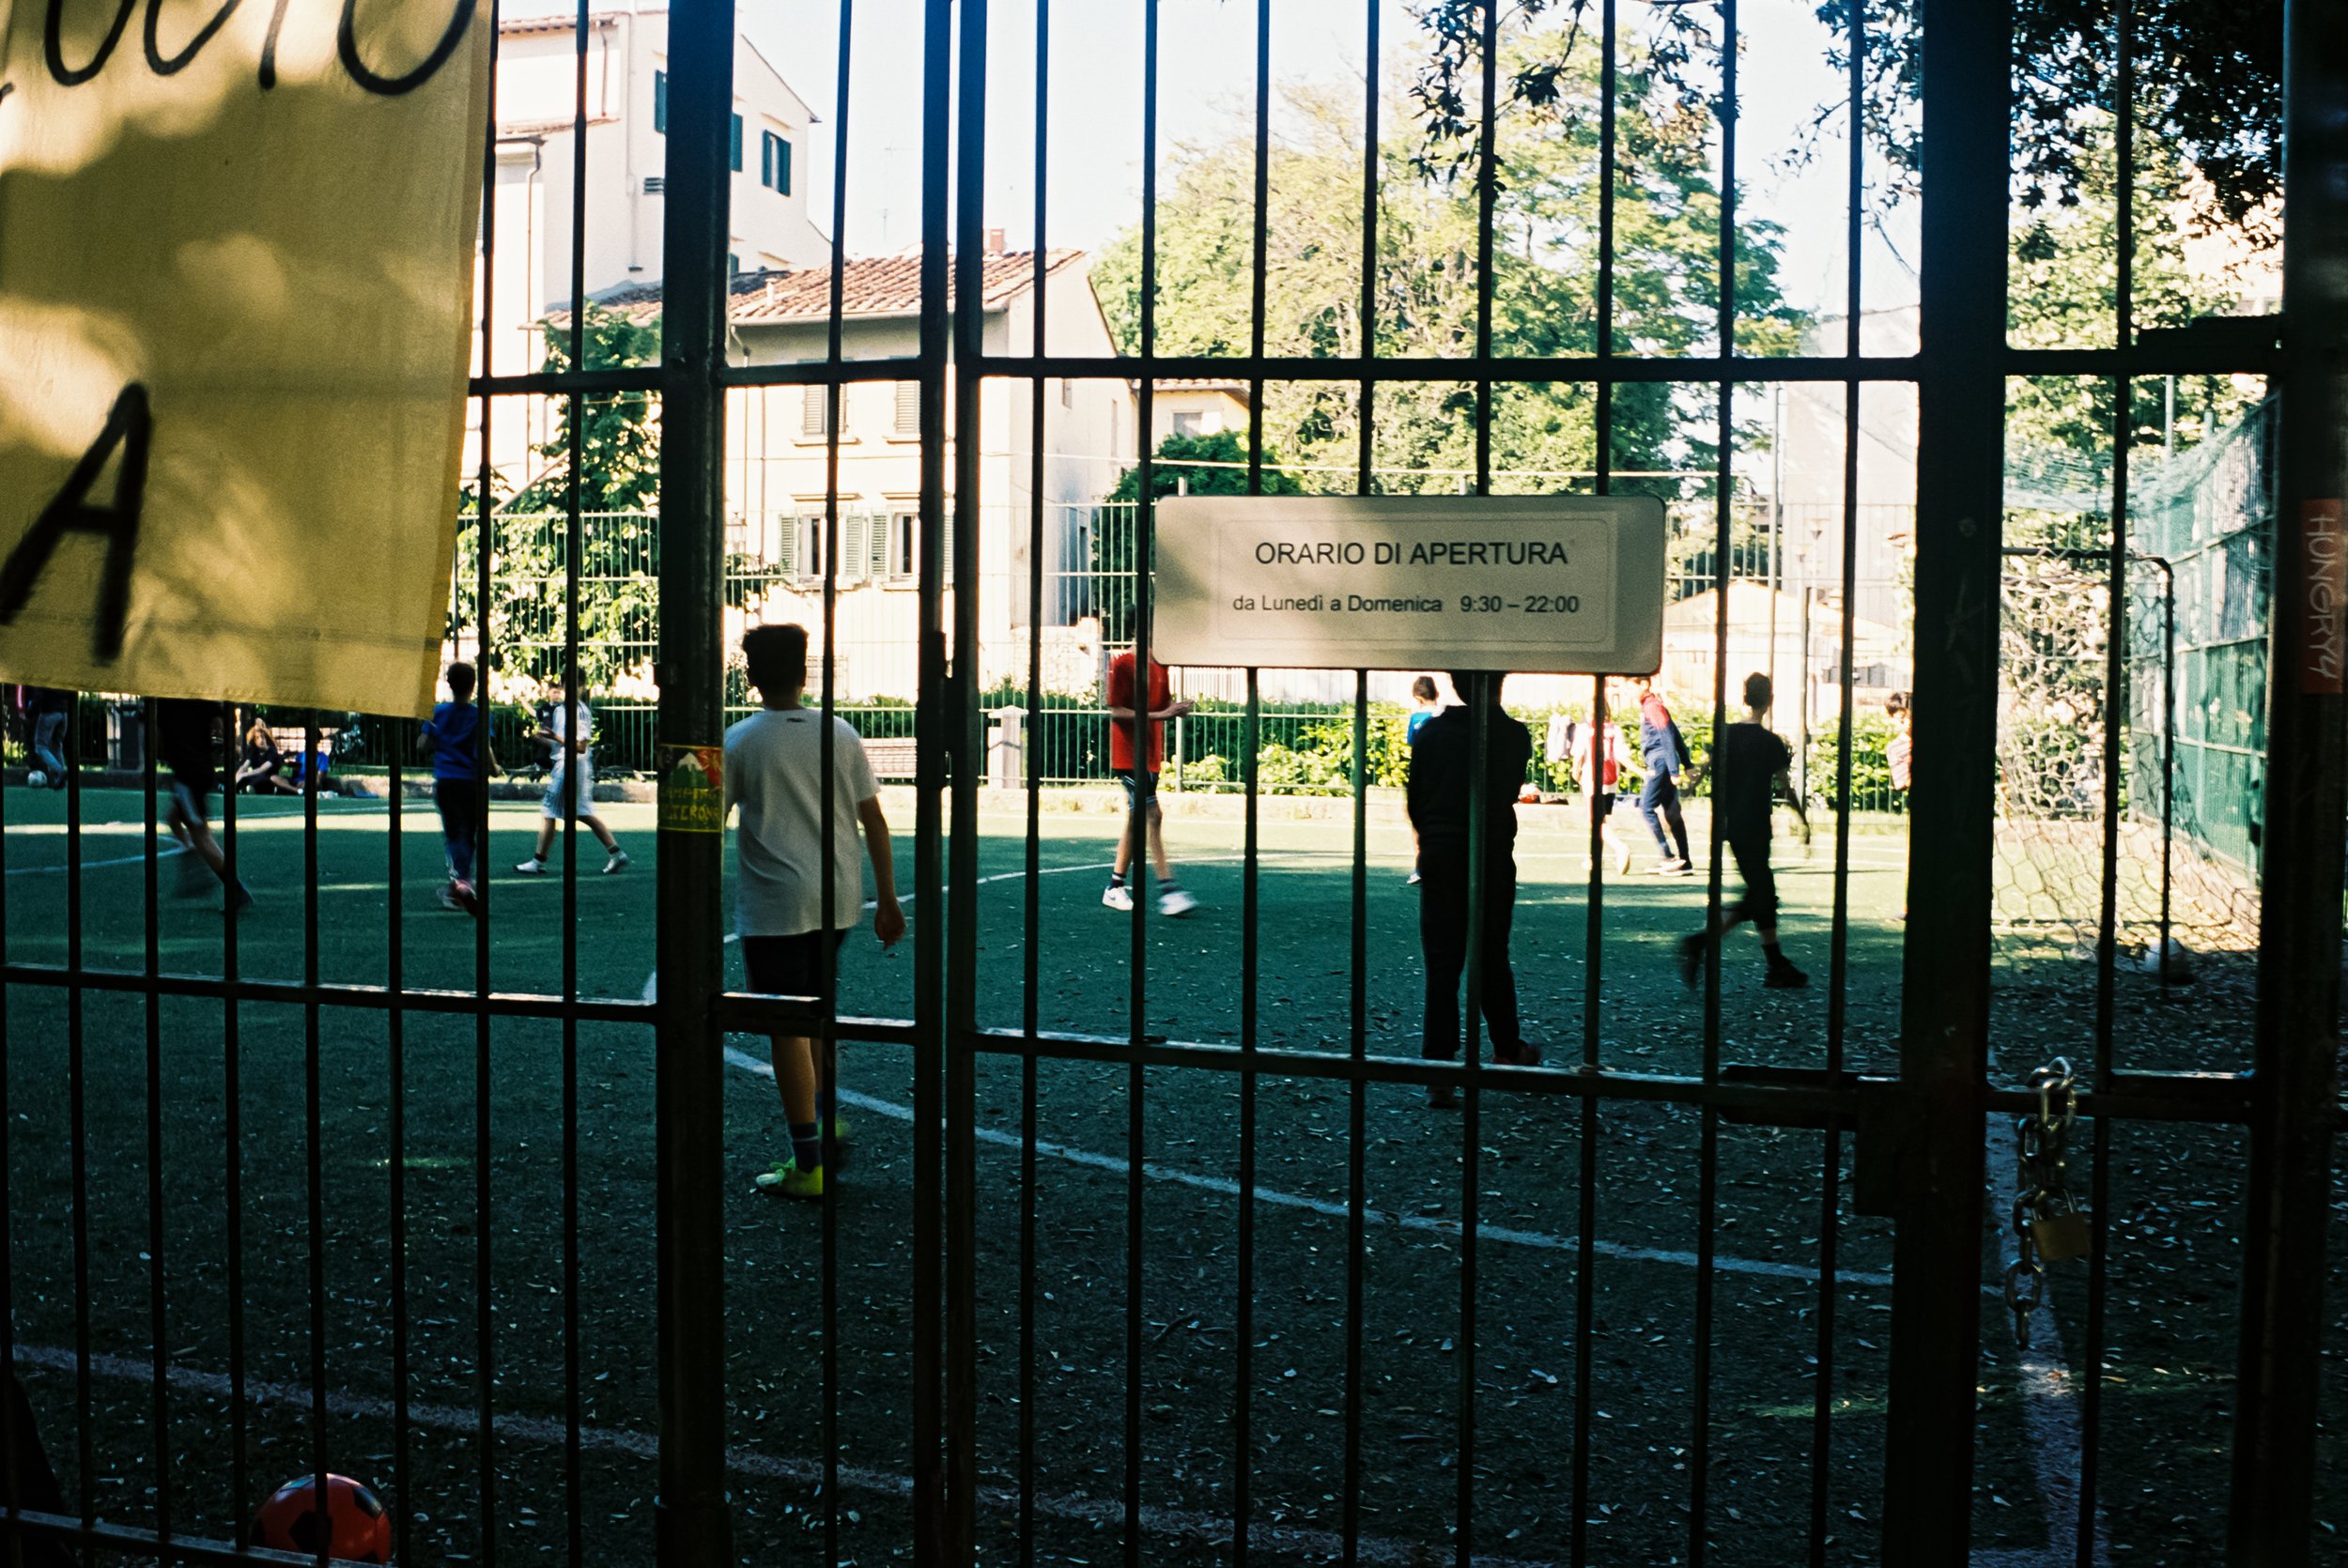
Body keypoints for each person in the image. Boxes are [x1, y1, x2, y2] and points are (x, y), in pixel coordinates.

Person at [726, 623, 905, 1199]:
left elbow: (706, 822)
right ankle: (826, 1123)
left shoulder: (740, 741)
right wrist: (888, 898)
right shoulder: (841, 733)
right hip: (838, 899)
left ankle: (810, 1162)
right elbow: (873, 820)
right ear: (806, 672)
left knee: (786, 1029)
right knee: (819, 1015)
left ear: (750, 675)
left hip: (775, 903)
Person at [1406, 670, 1542, 1104]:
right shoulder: (1515, 736)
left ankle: (1440, 1067)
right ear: (1499, 684)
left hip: (1441, 851)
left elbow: (1416, 799)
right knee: (1491, 954)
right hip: (1490, 851)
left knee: (1442, 963)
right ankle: (1506, 1047)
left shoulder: (1429, 735)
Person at [1678, 671, 1809, 990]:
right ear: (1770, 700)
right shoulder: (1770, 743)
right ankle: (1703, 943)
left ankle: (1774, 962)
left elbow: (1702, 771)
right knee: (1761, 891)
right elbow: (1784, 786)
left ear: (1745, 697)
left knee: (1760, 892)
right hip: (1757, 824)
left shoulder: (1727, 735)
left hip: (1731, 824)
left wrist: (1686, 789)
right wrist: (1802, 819)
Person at [1102, 649, 1197, 916]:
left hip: (1151, 755)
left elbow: (1162, 708)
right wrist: (1161, 715)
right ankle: (1169, 890)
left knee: (1137, 819)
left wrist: (1176, 711)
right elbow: (1116, 712)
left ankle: (1114, 886)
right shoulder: (1123, 664)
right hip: (1128, 755)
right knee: (1153, 815)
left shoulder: (1160, 666)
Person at [514, 686, 627, 875]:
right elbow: (561, 744)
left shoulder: (577, 710)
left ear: (579, 686)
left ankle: (537, 861)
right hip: (571, 763)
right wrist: (544, 740)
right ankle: (616, 852)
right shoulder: (561, 710)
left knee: (549, 810)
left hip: (570, 764)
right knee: (582, 811)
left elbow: (580, 747)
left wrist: (554, 737)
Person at [154, 698, 253, 910]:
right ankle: (192, 851)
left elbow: (158, 736)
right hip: (201, 769)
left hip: (187, 773)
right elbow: (221, 722)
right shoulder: (200, 695)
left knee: (200, 833)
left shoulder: (165, 699)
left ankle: (235, 889)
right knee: (173, 818)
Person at [421, 663, 497, 914]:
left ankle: (460, 884)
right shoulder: (481, 715)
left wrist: (429, 730)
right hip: (472, 782)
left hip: (446, 780)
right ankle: (462, 883)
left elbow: (422, 745)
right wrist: (494, 767)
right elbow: (484, 749)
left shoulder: (437, 713)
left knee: (454, 833)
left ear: (449, 683)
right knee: (471, 833)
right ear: (474, 684)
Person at [1630, 674, 1695, 875]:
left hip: (1660, 763)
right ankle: (1684, 860)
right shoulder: (1652, 705)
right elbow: (1674, 732)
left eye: (1629, 687)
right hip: (1664, 762)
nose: (1627, 692)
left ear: (1643, 684)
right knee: (1671, 811)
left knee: (1647, 807)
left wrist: (1675, 770)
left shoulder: (1652, 706)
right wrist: (1686, 763)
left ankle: (1667, 856)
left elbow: (1667, 735)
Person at [1573, 695, 1637, 877]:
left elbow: (1578, 754)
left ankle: (1620, 847)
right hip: (1610, 781)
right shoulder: (1615, 730)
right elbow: (1620, 755)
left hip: (1592, 780)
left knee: (1595, 821)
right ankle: (1593, 857)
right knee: (1601, 819)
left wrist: (1575, 770)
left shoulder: (1584, 730)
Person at [1404, 675, 1443, 885]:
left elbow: (1413, 743)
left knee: (1418, 824)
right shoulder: (1444, 716)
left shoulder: (1416, 718)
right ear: (1436, 693)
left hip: (1423, 775)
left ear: (1418, 697)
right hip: (1444, 775)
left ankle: (1420, 867)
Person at [235, 716, 297, 794]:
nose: (261, 740)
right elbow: (244, 766)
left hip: (274, 777)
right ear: (254, 741)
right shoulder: (254, 751)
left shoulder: (272, 751)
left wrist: (244, 775)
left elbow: (262, 769)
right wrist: (238, 775)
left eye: (262, 737)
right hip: (259, 777)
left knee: (261, 778)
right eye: (257, 738)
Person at [23, 685, 70, 789]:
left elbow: (39, 695)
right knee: (56, 744)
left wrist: (29, 713)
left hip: (49, 712)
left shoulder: (44, 676)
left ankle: (59, 771)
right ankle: (59, 780)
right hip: (63, 713)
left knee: (40, 747)